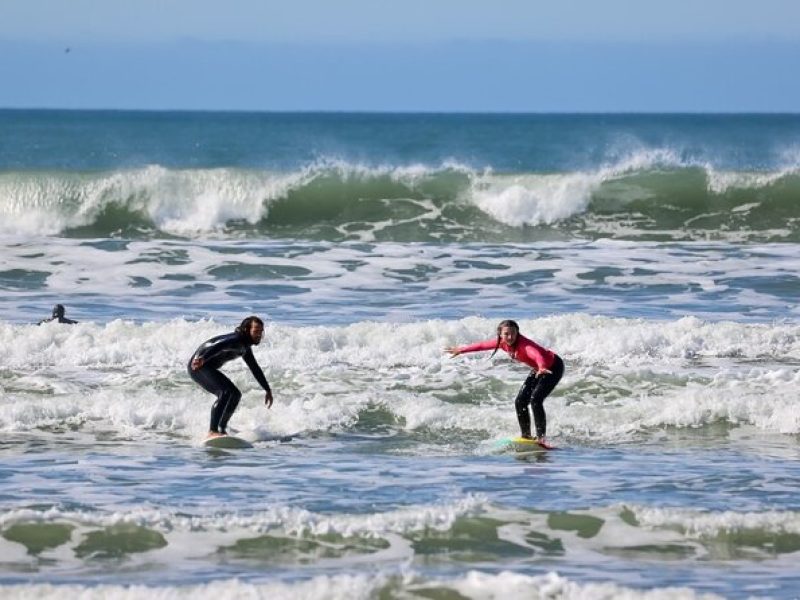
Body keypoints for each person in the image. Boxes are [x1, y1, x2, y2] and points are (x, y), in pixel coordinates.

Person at [445, 319, 564, 447]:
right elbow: (481, 346)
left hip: (552, 367)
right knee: (520, 401)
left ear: (517, 333)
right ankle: (526, 436)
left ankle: (542, 439)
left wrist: (541, 367)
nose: (510, 337)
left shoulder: (524, 345)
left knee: (536, 400)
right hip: (538, 369)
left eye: (513, 333)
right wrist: (461, 350)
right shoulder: (501, 343)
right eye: (506, 334)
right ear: (500, 334)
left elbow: (536, 355)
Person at [188, 316, 274, 439]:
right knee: (225, 392)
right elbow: (219, 346)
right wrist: (203, 358)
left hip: (207, 366)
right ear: (246, 329)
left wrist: (267, 389)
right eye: (256, 331)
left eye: (261, 331)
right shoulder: (236, 340)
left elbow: (254, 367)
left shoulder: (245, 347)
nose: (259, 335)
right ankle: (212, 430)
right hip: (198, 366)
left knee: (235, 394)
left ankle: (222, 429)